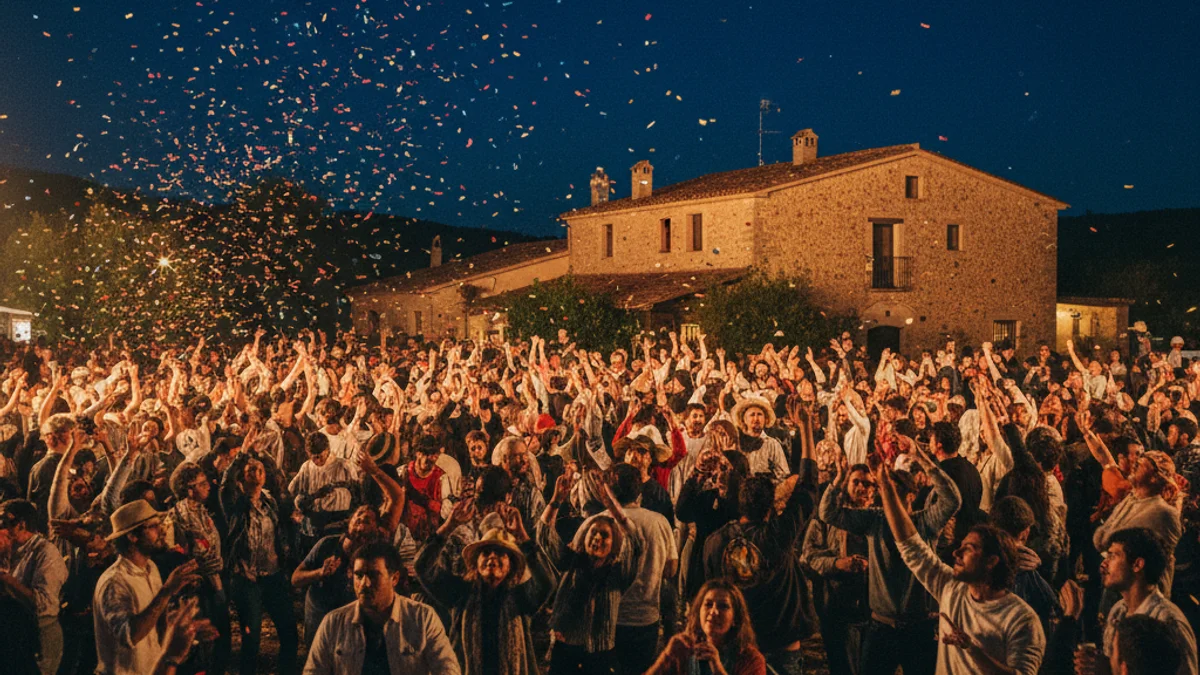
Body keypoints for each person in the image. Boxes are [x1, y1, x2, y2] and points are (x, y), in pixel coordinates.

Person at [877, 448, 1046, 675]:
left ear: (991, 561)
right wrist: (886, 487)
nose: (956, 553)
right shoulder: (952, 589)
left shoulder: (1021, 618)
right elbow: (911, 546)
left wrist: (972, 649)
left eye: (969, 549)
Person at [415, 499, 555, 675]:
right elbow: (422, 567)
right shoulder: (461, 593)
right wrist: (449, 526)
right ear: (476, 563)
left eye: (500, 553)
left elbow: (547, 582)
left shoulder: (521, 597)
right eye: (486, 552)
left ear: (510, 565)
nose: (492, 557)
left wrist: (522, 537)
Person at [569, 462, 678, 675]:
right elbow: (671, 570)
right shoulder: (658, 522)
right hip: (644, 619)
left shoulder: (593, 524)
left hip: (602, 620)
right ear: (639, 490)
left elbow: (574, 571)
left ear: (606, 491)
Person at [537, 469, 641, 675]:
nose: (597, 538)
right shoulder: (572, 563)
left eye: (604, 535)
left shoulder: (618, 574)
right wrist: (556, 500)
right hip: (567, 649)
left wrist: (611, 506)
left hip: (600, 654)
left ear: (614, 544)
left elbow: (635, 541)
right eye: (593, 533)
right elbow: (544, 536)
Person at [303, 540, 460, 675]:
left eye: (373, 575)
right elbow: (313, 671)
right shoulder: (334, 622)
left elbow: (448, 670)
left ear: (394, 578)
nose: (364, 584)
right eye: (359, 575)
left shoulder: (422, 618)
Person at [93, 499, 202, 675]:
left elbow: (156, 622)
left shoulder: (151, 568)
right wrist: (166, 592)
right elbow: (130, 636)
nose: (162, 530)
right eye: (153, 526)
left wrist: (184, 631)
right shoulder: (114, 582)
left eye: (160, 524)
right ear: (132, 536)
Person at [1074, 527, 1198, 675]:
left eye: (1112, 556)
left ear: (1137, 564)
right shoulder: (1118, 611)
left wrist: (1108, 669)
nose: (1103, 564)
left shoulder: (1168, 621)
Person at [220, 449, 298, 675]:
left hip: (273, 575)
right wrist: (240, 456)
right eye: (251, 470)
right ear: (242, 477)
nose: (257, 473)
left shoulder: (271, 502)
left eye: (260, 470)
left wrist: (267, 457)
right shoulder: (235, 505)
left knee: (289, 633)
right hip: (247, 579)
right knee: (251, 638)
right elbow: (225, 486)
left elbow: (280, 482)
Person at [0, 498, 69, 675]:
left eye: (4, 523)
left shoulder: (46, 553)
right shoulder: (10, 549)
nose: (1, 528)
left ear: (21, 525)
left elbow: (43, 605)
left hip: (39, 636)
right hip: (13, 635)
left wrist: (4, 577)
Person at [646, 578, 767, 675]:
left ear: (735, 618)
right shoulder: (686, 648)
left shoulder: (751, 659)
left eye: (723, 606)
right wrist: (667, 656)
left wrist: (717, 668)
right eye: (708, 604)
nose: (713, 612)